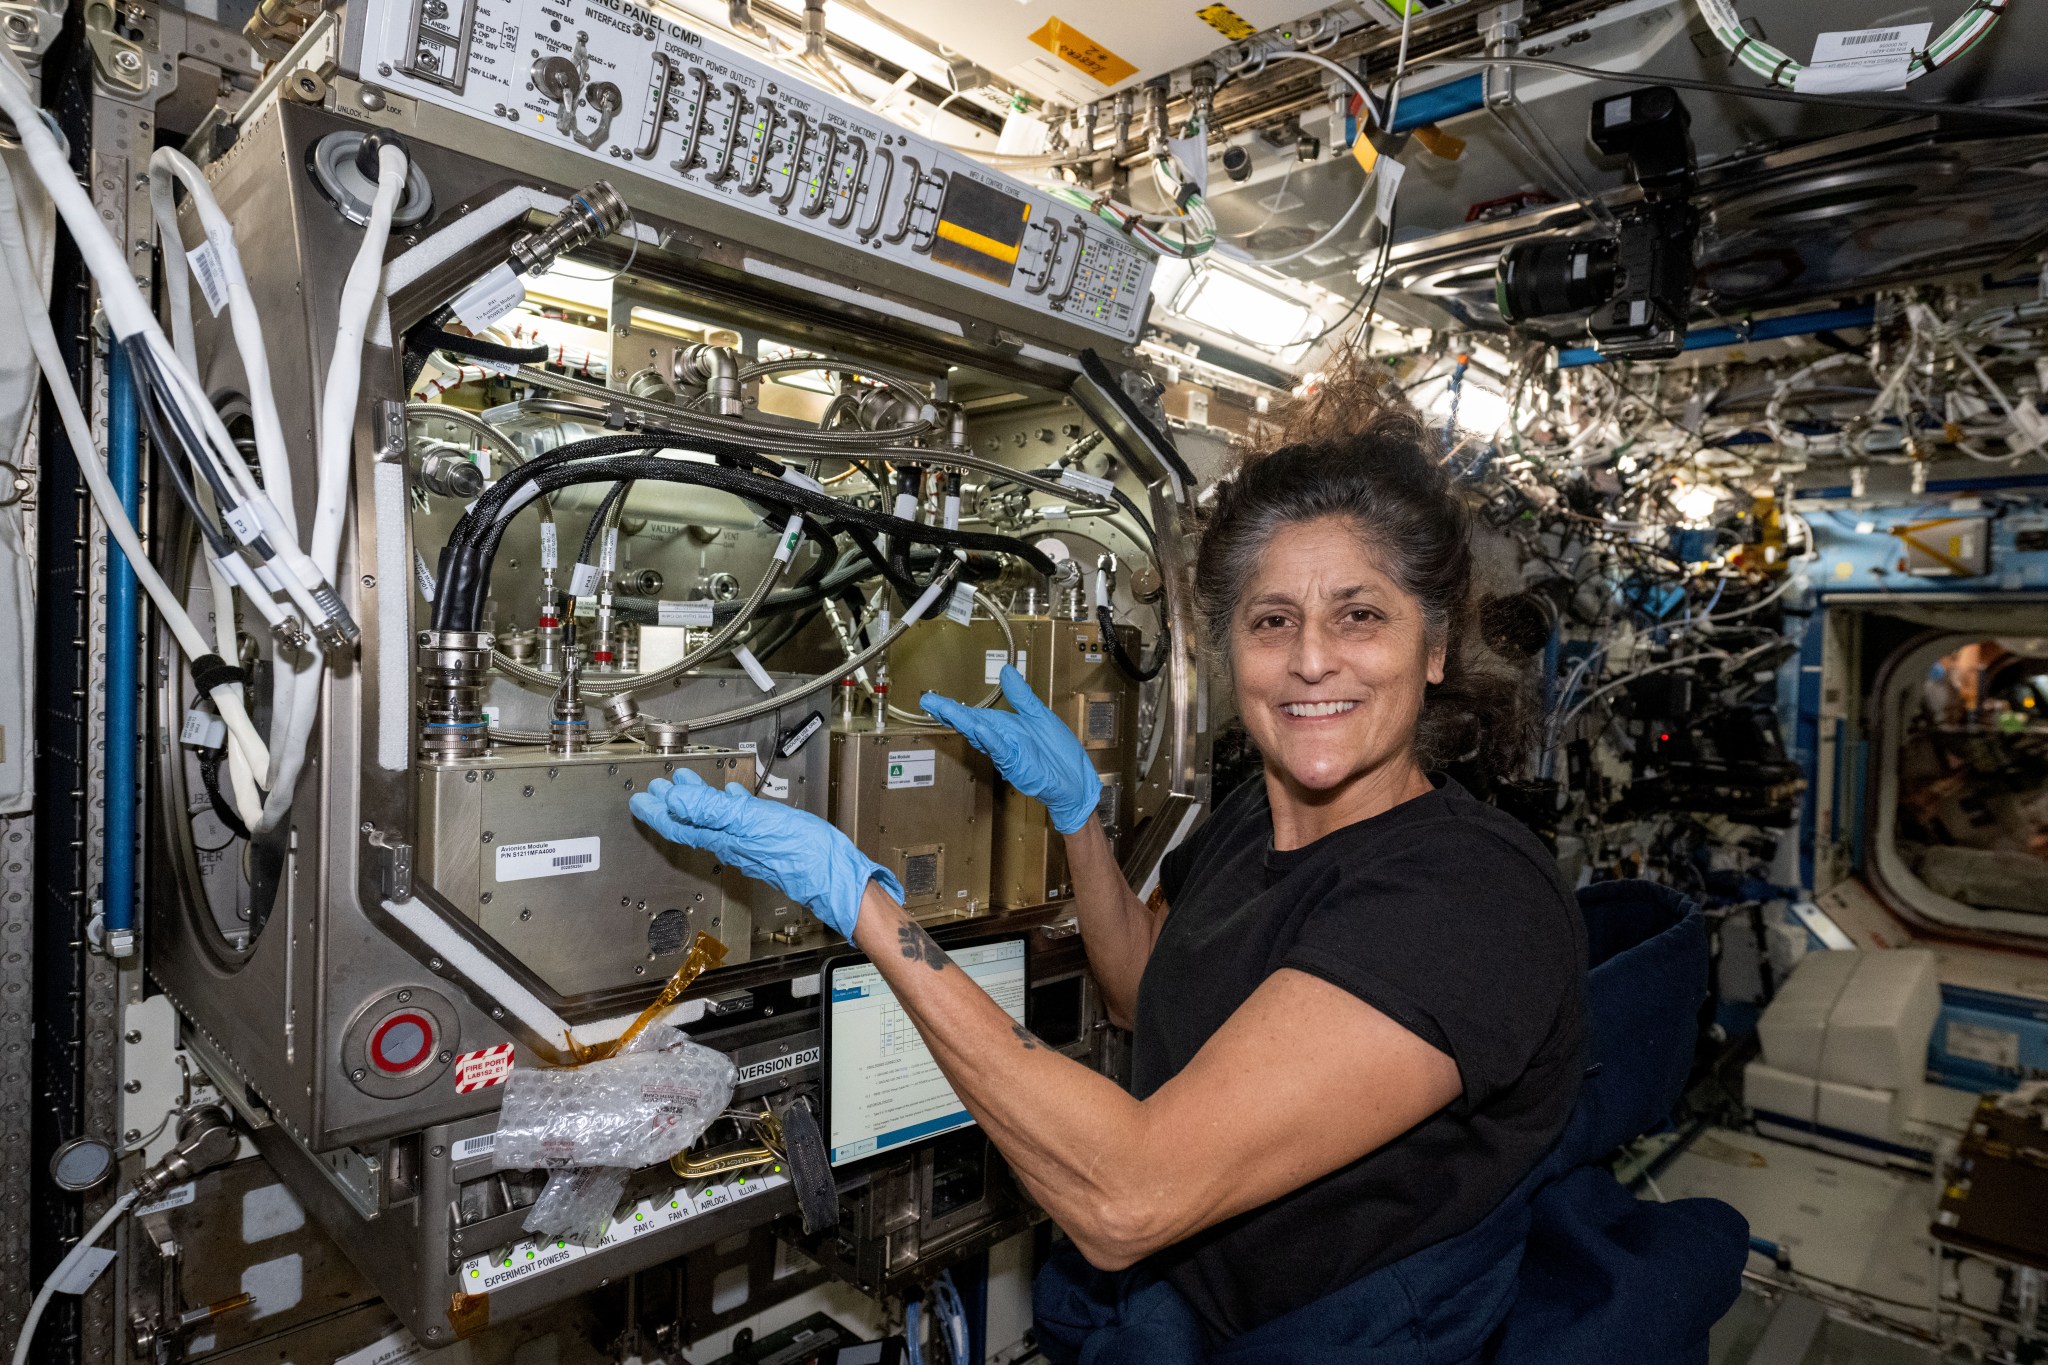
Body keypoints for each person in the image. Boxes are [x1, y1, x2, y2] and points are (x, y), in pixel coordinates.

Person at [630, 369, 1586, 1356]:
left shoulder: (1469, 902)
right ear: (1227, 650)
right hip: (1197, 1315)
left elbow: (1127, 1195)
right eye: (1270, 621)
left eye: (1359, 616)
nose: (1309, 660)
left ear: (1432, 647)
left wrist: (865, 904)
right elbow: (1136, 989)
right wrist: (1078, 818)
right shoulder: (1255, 821)